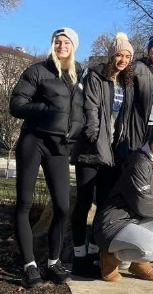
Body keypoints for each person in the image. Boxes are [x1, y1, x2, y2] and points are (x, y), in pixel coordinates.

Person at [10, 27, 84, 288]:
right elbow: (16, 105)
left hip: (60, 147)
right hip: (34, 141)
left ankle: (53, 262)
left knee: (63, 208)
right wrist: (46, 109)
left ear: (73, 46)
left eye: (66, 42)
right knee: (25, 203)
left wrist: (75, 130)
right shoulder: (37, 71)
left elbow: (81, 112)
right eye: (57, 41)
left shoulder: (78, 76)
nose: (61, 45)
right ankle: (29, 265)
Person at [70, 32, 135, 278]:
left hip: (113, 154)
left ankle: (96, 252)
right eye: (119, 54)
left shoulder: (126, 82)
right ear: (110, 55)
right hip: (91, 151)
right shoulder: (96, 76)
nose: (123, 59)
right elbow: (91, 112)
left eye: (127, 56)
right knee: (84, 202)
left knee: (104, 207)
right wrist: (99, 144)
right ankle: (79, 255)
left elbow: (125, 120)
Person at [93, 124, 153, 282]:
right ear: (150, 142)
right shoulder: (139, 163)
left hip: (133, 222)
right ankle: (110, 257)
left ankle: (138, 264)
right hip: (113, 224)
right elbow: (143, 205)